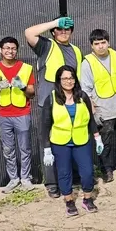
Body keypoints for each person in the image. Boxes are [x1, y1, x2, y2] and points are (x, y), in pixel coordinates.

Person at [25, 16, 84, 198]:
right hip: (47, 103)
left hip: (70, 103)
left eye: (67, 29)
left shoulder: (76, 51)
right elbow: (29, 33)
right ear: (53, 31)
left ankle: (71, 179)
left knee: (71, 140)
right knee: (47, 144)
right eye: (60, 29)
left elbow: (79, 78)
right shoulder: (46, 46)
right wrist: (55, 22)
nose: (63, 32)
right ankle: (51, 183)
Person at [42, 66, 102, 216]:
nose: (68, 81)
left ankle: (87, 199)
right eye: (65, 78)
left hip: (81, 140)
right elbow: (45, 125)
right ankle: (69, 201)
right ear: (59, 80)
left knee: (87, 171)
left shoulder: (83, 97)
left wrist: (97, 137)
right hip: (60, 142)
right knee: (64, 173)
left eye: (71, 78)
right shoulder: (51, 98)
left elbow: (90, 120)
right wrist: (47, 148)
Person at [0, 36, 36, 193]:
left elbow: (31, 93)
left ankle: (26, 179)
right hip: (3, 114)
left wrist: (21, 86)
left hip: (22, 113)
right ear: (0, 50)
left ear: (17, 50)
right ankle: (13, 179)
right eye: (7, 48)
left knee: (25, 148)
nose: (10, 51)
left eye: (13, 48)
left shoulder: (26, 68)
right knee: (8, 150)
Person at [80, 29, 116, 183]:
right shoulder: (87, 62)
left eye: (103, 42)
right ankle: (107, 170)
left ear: (108, 42)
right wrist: (94, 110)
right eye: (97, 44)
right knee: (105, 142)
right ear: (91, 46)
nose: (101, 46)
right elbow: (85, 90)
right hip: (103, 109)